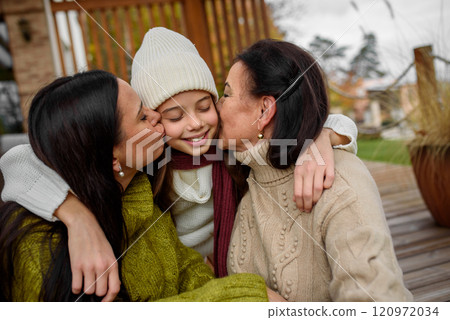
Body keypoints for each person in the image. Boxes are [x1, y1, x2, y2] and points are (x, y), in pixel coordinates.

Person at [1, 27, 359, 299]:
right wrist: (76, 217)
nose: (191, 124)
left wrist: (324, 136)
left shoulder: (211, 152)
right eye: (150, 117)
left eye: (205, 107)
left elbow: (296, 125)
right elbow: (17, 159)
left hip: (240, 269)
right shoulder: (147, 170)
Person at [0, 70, 269, 302]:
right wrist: (243, 298)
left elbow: (184, 267)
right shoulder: (39, 248)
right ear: (111, 156)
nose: (156, 116)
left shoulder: (138, 191)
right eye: (142, 116)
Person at [217, 39, 413, 301]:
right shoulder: (241, 174)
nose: (217, 105)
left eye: (227, 94)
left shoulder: (338, 180)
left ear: (264, 110)